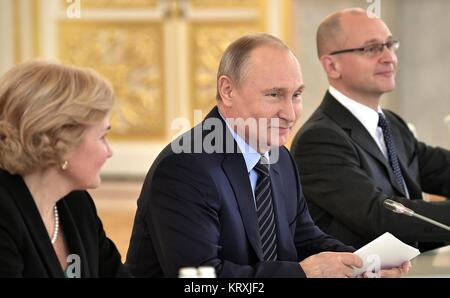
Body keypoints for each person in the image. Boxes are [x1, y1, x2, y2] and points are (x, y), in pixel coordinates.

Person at [125, 33, 408, 278]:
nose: (290, 113)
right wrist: (305, 273)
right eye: (274, 95)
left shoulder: (279, 157)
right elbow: (202, 278)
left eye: (296, 95)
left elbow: (305, 238)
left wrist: (365, 263)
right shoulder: (185, 168)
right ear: (227, 90)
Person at [291, 8, 450, 251]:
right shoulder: (319, 139)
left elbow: (440, 169)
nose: (389, 57)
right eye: (371, 48)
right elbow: (380, 216)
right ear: (332, 66)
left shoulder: (391, 124)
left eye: (389, 45)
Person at [0, 60, 129, 277]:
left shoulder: (76, 203)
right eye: (102, 137)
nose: (109, 151)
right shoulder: (4, 213)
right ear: (61, 142)